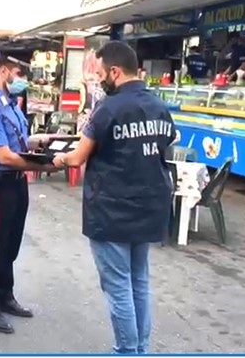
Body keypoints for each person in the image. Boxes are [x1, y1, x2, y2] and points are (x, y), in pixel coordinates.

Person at [52, 41, 175, 354]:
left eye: (101, 73)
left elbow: (78, 157)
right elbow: (165, 145)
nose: (99, 80)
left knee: (119, 287)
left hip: (112, 211)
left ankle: (126, 350)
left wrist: (58, 159)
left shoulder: (107, 108)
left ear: (115, 72)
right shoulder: (159, 105)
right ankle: (140, 348)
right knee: (139, 283)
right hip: (149, 208)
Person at [0, 56, 57, 335]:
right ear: (4, 72)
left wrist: (40, 142)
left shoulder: (12, 105)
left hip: (16, 182)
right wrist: (44, 164)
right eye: (20, 74)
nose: (24, 80)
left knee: (10, 244)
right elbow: (5, 156)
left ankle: (5, 295)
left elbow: (18, 142)